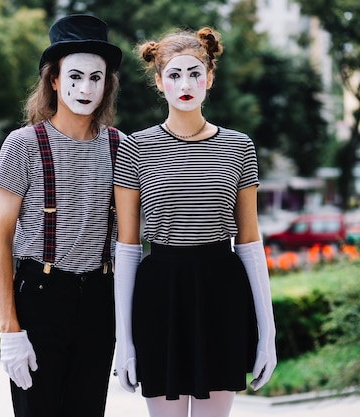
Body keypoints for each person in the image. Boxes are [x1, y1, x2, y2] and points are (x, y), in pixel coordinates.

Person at [112, 27, 277, 417]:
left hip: (221, 293)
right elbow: (127, 247)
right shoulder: (135, 147)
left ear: (209, 77)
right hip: (159, 296)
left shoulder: (239, 146)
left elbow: (251, 243)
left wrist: (267, 334)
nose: (185, 83)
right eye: (174, 74)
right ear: (159, 82)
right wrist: (124, 339)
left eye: (194, 73)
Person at [0, 14, 124, 417]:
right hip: (40, 300)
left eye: (96, 78)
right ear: (53, 80)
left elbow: (133, 240)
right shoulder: (22, 146)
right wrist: (10, 329)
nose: (85, 88)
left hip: (100, 301)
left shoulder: (121, 147)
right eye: (75, 76)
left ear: (107, 84)